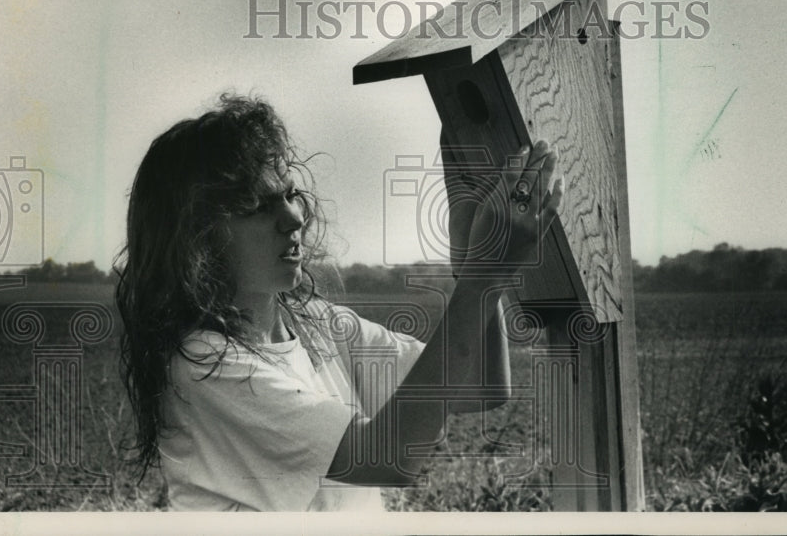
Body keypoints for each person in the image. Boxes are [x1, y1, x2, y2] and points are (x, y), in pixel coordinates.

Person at [115, 93, 564, 511]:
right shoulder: (202, 366)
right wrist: (487, 275)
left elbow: (480, 385)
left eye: (290, 194)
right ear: (195, 238)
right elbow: (387, 458)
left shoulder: (317, 325)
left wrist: (470, 263)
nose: (294, 217)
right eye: (256, 204)